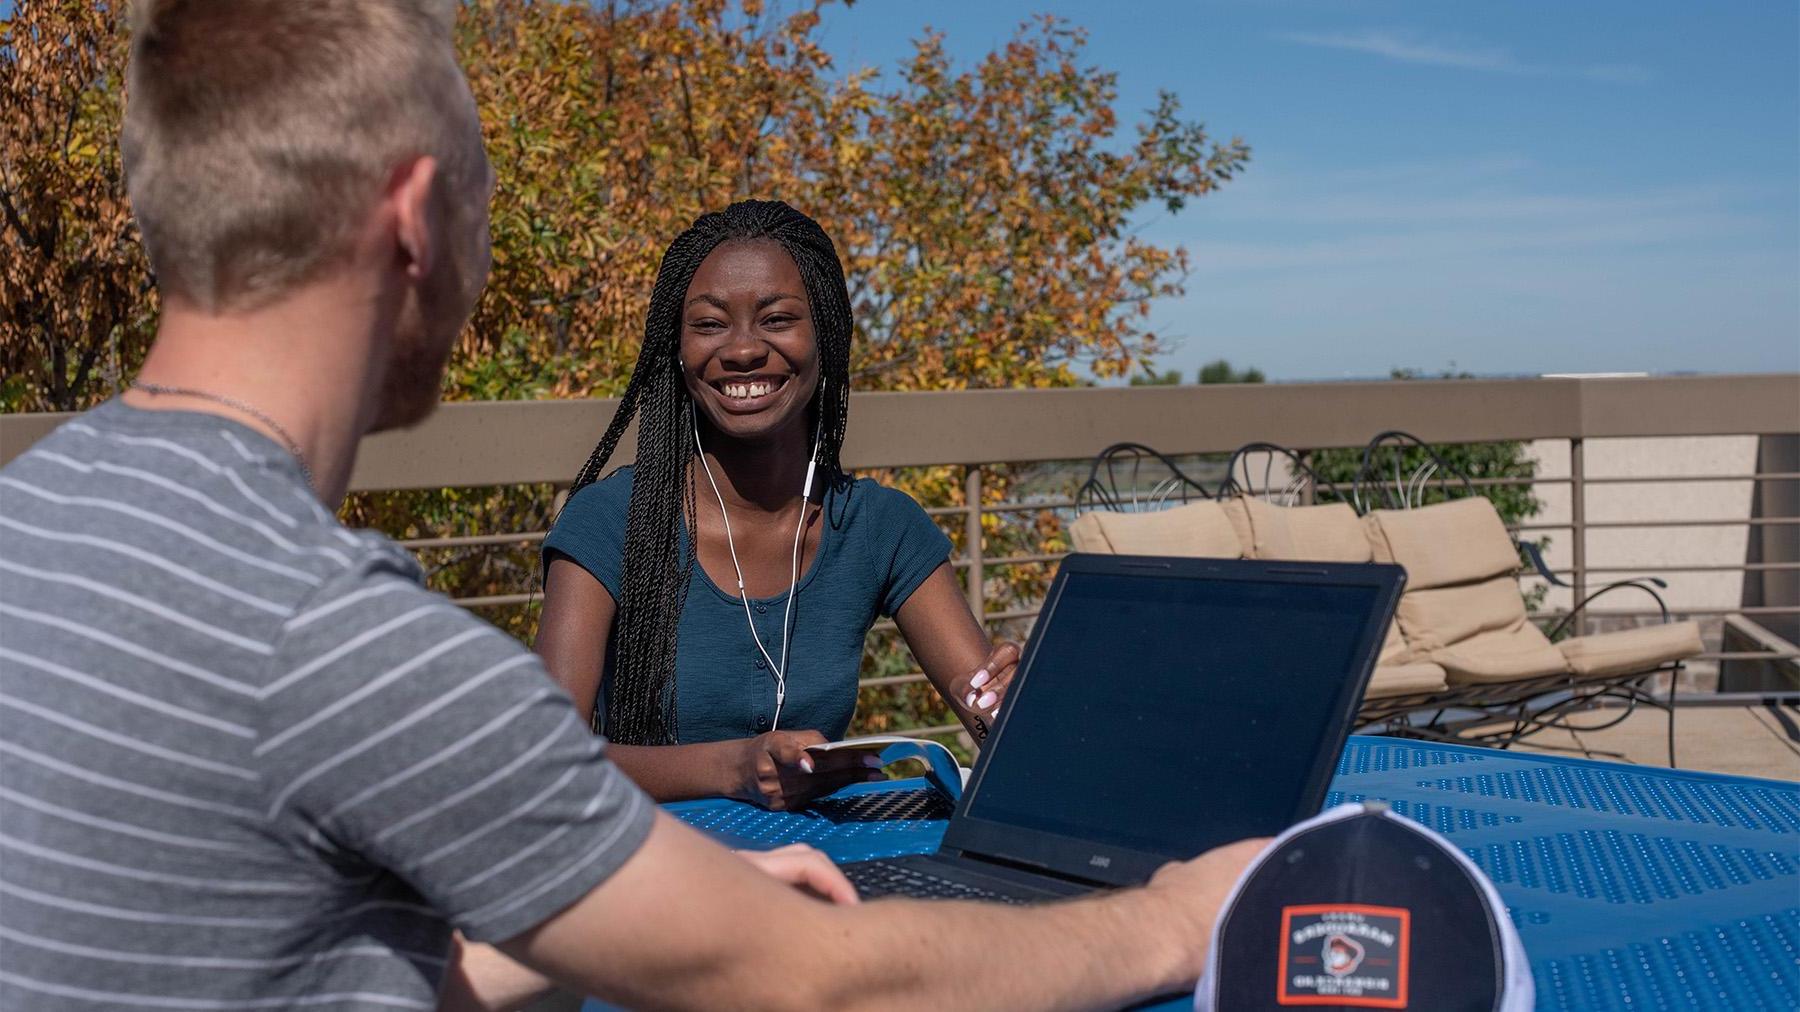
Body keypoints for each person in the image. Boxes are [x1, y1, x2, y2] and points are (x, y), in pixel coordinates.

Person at [0, 2, 1265, 1009]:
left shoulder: (37, 521)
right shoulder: (336, 639)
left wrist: (642, 906)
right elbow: (812, 989)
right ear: (414, 222)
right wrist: (1176, 917)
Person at [537, 199, 1018, 810]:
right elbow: (546, 757)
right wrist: (734, 768)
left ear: (827, 337)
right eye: (710, 324)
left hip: (821, 863)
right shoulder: (609, 522)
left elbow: (984, 705)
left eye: (777, 319)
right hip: (652, 868)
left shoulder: (879, 527)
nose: (742, 350)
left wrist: (1005, 705)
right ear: (676, 349)